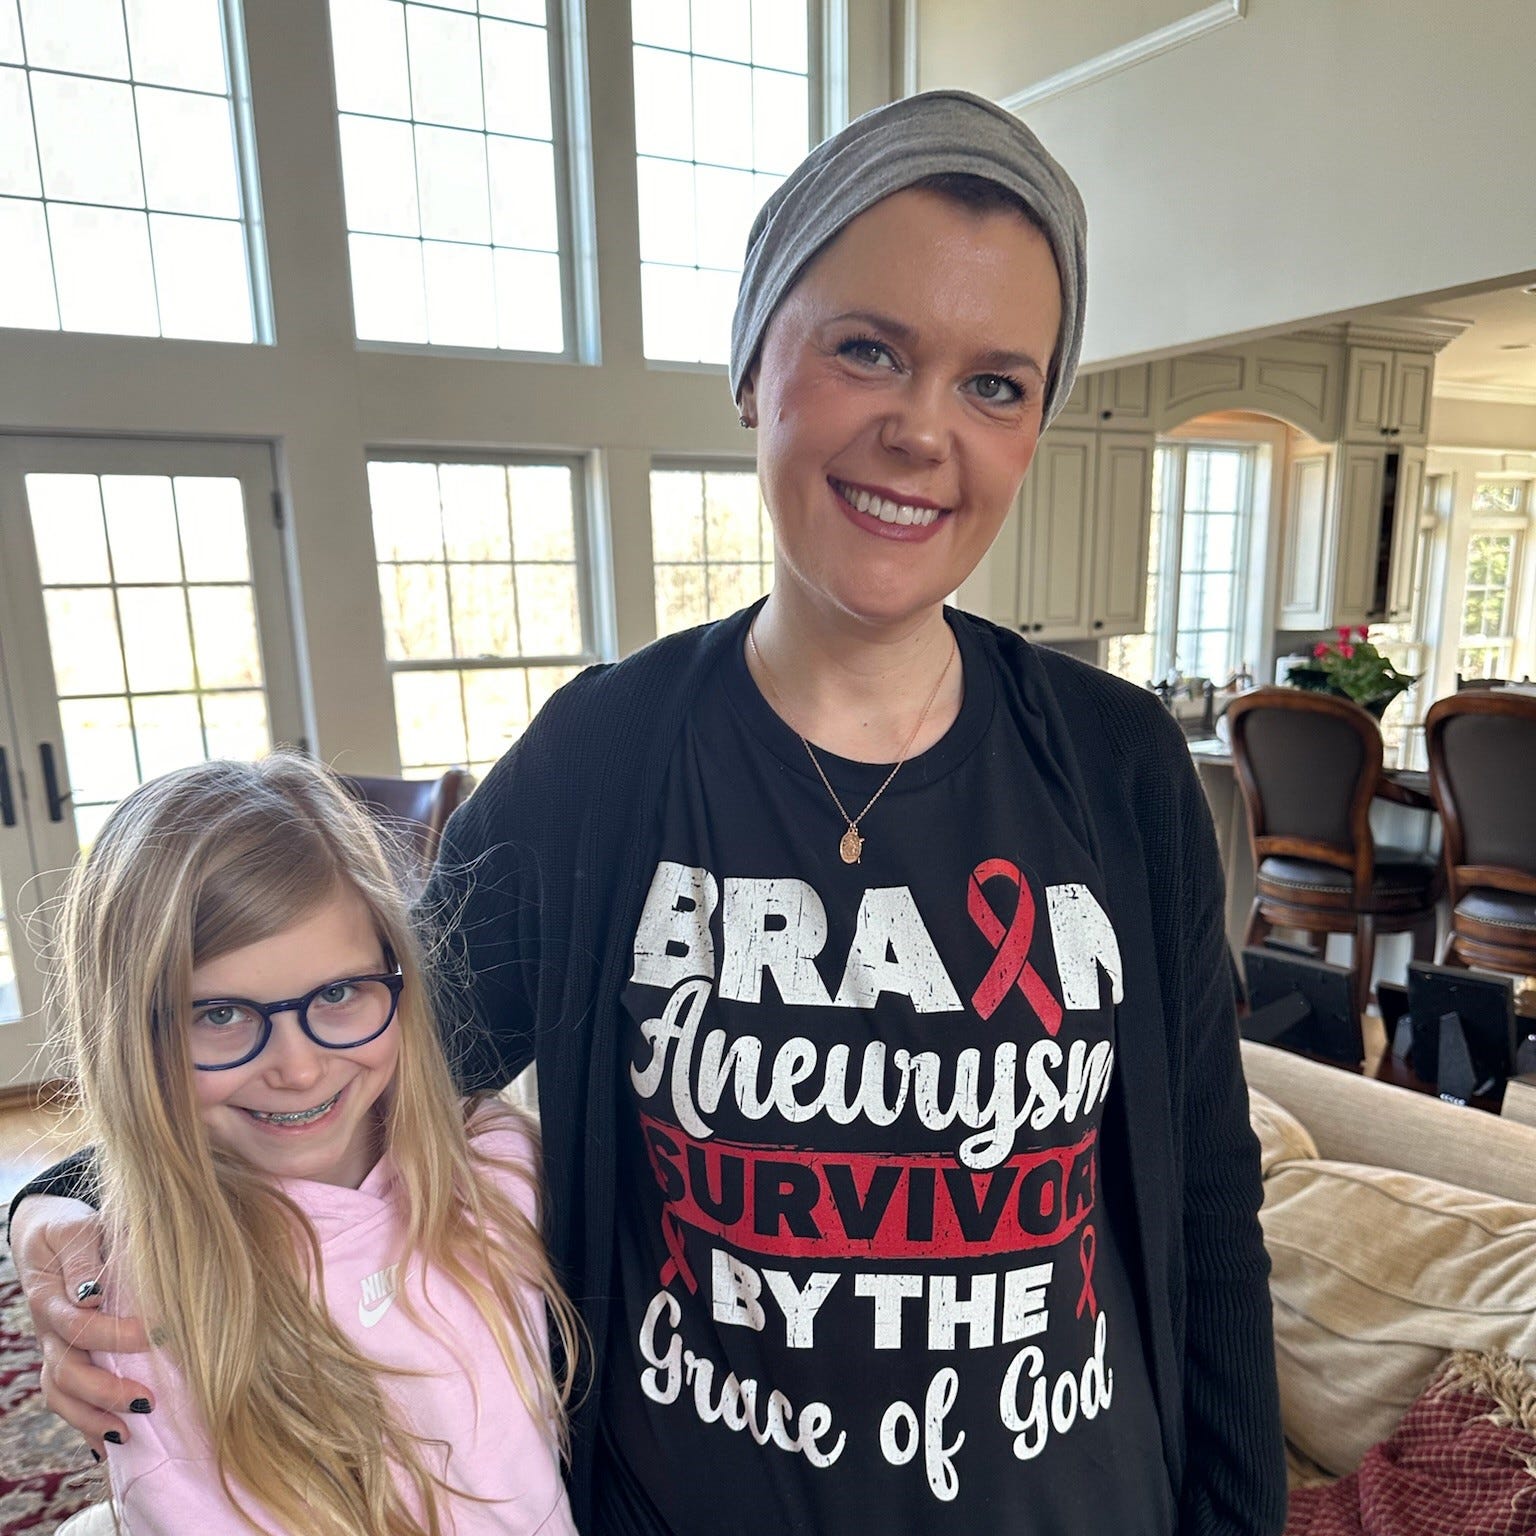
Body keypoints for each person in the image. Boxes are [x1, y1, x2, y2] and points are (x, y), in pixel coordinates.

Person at [12, 90, 1284, 1534]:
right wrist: (63, 1206)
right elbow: (366, 1053)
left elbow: (1207, 1209)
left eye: (996, 384)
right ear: (753, 363)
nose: (923, 430)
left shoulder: (1120, 765)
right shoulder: (605, 759)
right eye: (869, 349)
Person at [31, 755, 580, 1535]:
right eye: (220, 1014)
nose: (298, 1068)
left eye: (339, 993)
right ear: (128, 1040)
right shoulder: (149, 1307)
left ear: (398, 977)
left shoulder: (500, 1163)